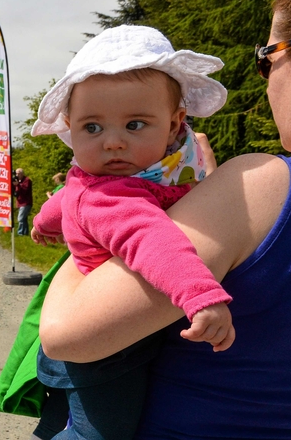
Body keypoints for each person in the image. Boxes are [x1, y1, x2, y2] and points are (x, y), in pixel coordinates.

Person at [38, 0, 291, 438]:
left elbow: (65, 333)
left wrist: (79, 223)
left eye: (266, 60)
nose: (266, 82)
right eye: (93, 127)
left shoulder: (258, 184)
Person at [27, 24, 233, 439]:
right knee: (100, 434)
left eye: (135, 125)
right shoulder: (115, 196)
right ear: (70, 126)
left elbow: (64, 199)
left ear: (177, 125)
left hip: (111, 327)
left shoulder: (117, 176)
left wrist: (42, 224)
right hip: (107, 349)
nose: (113, 143)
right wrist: (201, 295)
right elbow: (153, 241)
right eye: (92, 128)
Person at [13, 168, 33, 236]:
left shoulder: (27, 180)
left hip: (26, 202)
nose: (17, 175)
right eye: (16, 173)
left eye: (19, 173)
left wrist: (18, 184)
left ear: (22, 173)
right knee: (24, 219)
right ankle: (25, 232)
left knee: (20, 218)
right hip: (20, 202)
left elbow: (25, 190)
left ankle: (20, 233)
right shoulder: (18, 180)